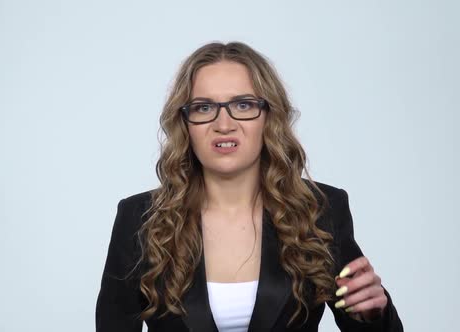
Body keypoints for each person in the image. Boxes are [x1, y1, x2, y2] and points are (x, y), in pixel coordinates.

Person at [95, 41, 403, 332]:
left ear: (269, 117)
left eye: (243, 105)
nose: (224, 124)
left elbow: (371, 319)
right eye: (203, 108)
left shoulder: (320, 209)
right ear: (185, 123)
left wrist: (372, 315)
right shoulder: (140, 218)